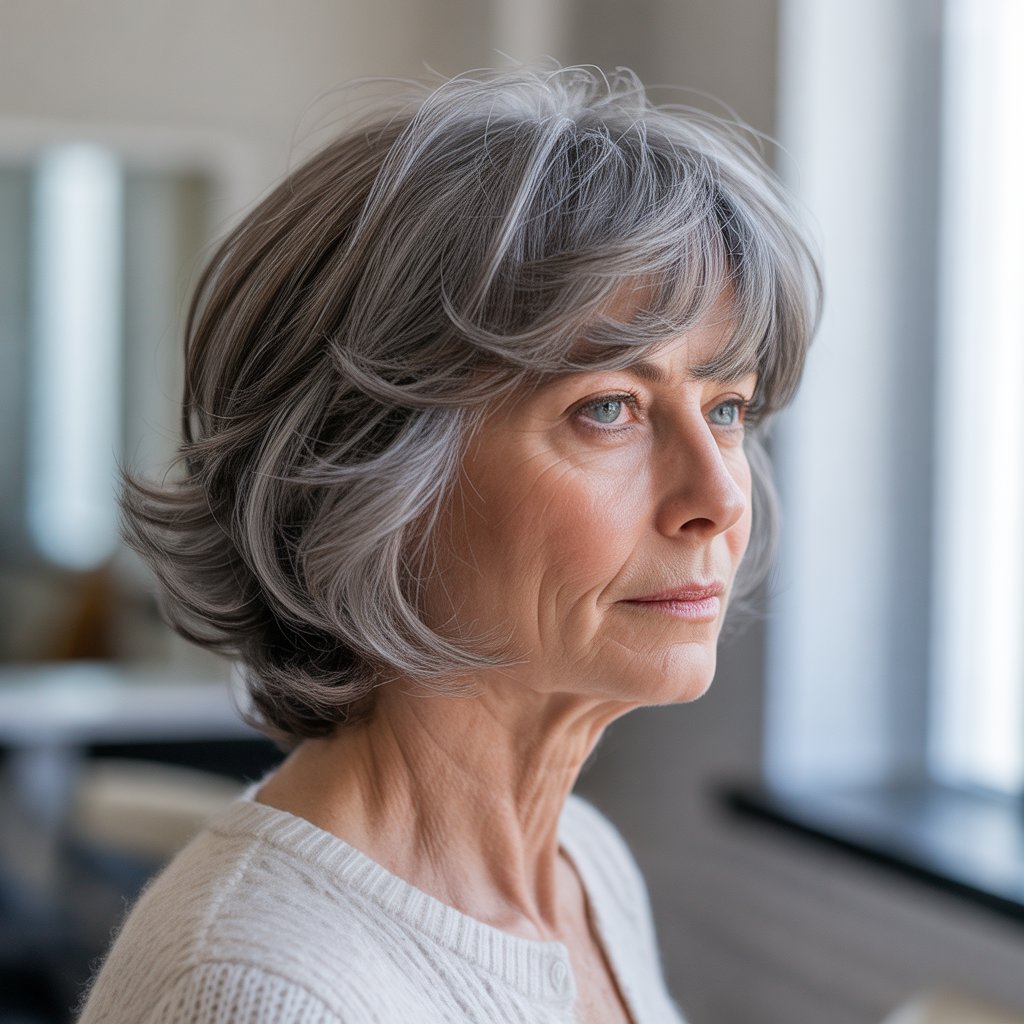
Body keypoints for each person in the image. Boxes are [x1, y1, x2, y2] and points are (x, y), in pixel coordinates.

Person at [76, 64, 819, 1024]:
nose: (718, 496)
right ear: (367, 465)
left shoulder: (583, 865)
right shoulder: (261, 995)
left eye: (726, 407)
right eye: (608, 409)